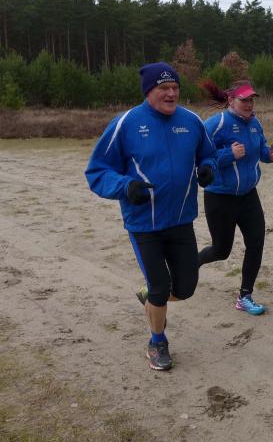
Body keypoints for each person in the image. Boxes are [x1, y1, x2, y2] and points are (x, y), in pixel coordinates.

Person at [85, 62, 217, 371]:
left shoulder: (192, 121)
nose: (171, 94)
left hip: (181, 220)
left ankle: (150, 296)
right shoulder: (126, 123)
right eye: (164, 88)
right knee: (160, 287)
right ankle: (157, 341)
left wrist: (208, 167)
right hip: (144, 224)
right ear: (148, 91)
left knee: (185, 288)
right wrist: (125, 186)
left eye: (175, 88)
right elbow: (97, 171)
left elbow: (208, 154)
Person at [196, 79, 273, 316]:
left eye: (252, 99)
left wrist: (270, 156)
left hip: (248, 196)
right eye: (244, 100)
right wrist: (228, 154)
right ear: (231, 100)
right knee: (221, 250)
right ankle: (193, 263)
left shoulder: (255, 123)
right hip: (220, 197)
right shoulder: (217, 123)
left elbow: (261, 150)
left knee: (256, 242)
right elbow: (199, 157)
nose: (249, 104)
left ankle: (245, 296)